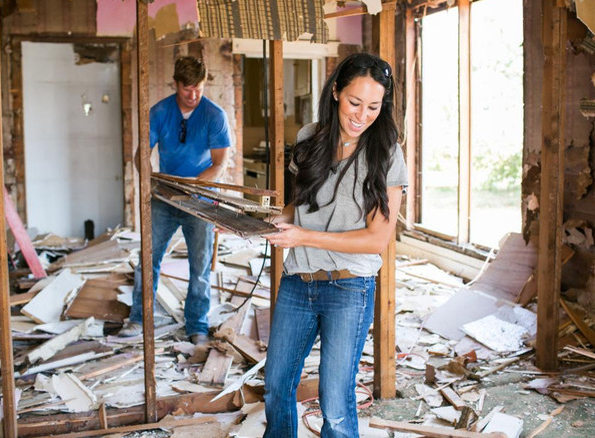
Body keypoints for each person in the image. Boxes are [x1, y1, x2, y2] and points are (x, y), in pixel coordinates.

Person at [262, 53, 408, 438]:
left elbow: (377, 239)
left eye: (374, 106)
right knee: (276, 386)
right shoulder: (310, 138)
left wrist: (303, 236)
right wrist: (280, 219)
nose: (362, 115)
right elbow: (302, 205)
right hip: (299, 281)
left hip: (349, 287)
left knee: (335, 403)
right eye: (354, 103)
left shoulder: (387, 153)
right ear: (336, 93)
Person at [118, 56, 232, 345]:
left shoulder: (214, 115)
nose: (193, 95)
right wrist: (151, 180)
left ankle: (197, 325)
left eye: (199, 89)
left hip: (201, 197)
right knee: (149, 257)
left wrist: (193, 188)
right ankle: (139, 318)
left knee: (200, 264)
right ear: (175, 84)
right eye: (187, 89)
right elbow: (141, 155)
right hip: (165, 195)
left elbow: (219, 163)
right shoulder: (159, 112)